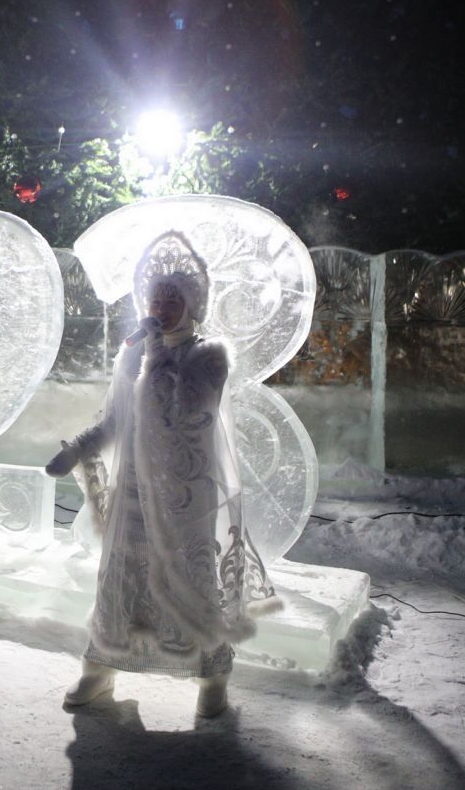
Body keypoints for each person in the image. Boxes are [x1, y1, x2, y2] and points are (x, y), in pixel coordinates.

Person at [46, 231, 279, 719]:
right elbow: (114, 420)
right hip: (132, 492)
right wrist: (76, 451)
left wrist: (151, 358)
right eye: (156, 298)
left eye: (174, 299)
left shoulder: (209, 356)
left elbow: (187, 416)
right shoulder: (132, 353)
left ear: (193, 305)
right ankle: (100, 669)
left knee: (190, 585)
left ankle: (212, 677)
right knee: (119, 581)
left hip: (186, 496)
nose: (163, 306)